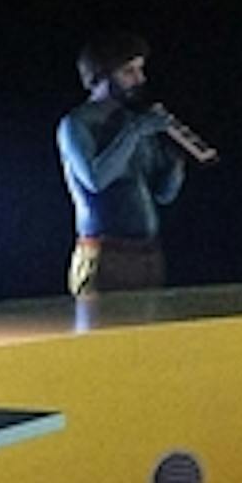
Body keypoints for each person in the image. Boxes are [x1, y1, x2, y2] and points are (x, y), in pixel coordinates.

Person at [59, 30, 202, 297]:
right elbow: (95, 180)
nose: (140, 79)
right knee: (102, 336)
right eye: (129, 71)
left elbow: (163, 195)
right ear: (102, 74)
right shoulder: (76, 123)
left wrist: (176, 163)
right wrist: (135, 131)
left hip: (148, 253)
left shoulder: (135, 120)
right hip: (103, 255)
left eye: (140, 69)